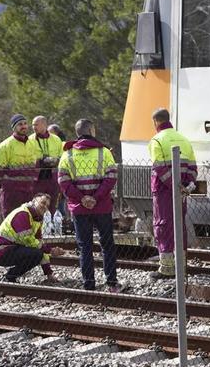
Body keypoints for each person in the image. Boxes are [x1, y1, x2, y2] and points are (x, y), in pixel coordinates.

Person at [57, 119, 122, 292]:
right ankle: (112, 283)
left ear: (77, 133)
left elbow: (63, 182)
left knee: (85, 246)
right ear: (92, 130)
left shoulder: (67, 155)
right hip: (102, 206)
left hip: (79, 208)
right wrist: (96, 197)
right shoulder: (104, 152)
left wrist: (82, 198)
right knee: (107, 244)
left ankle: (89, 284)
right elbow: (111, 177)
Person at [147, 108, 197, 279]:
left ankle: (167, 269)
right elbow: (192, 167)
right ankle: (181, 266)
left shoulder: (157, 140)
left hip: (163, 191)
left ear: (156, 122)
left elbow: (159, 167)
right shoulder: (184, 139)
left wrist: (173, 185)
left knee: (163, 225)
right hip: (181, 190)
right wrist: (186, 186)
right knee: (179, 226)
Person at [0, 193, 64, 282]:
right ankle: (10, 276)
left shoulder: (37, 219)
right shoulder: (23, 214)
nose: (45, 207)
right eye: (43, 203)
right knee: (37, 254)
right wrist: (50, 250)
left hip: (11, 249)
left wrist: (49, 274)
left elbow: (39, 244)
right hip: (0, 251)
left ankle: (10, 276)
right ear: (34, 201)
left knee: (38, 253)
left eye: (47, 205)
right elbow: (29, 241)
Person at [0, 114, 39, 217]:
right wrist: (7, 186)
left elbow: (35, 167)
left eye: (25, 123)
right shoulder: (5, 145)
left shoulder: (32, 144)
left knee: (29, 221)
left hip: (29, 191)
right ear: (14, 128)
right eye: (20, 124)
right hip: (12, 193)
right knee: (11, 222)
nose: (23, 126)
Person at [30, 115, 63, 235]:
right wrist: (42, 161)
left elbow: (62, 156)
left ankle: (52, 232)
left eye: (36, 124)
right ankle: (36, 231)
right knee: (36, 206)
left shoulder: (56, 140)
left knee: (52, 206)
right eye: (33, 125)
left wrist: (55, 160)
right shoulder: (30, 140)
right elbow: (28, 158)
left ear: (44, 125)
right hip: (37, 179)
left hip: (52, 179)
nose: (33, 127)